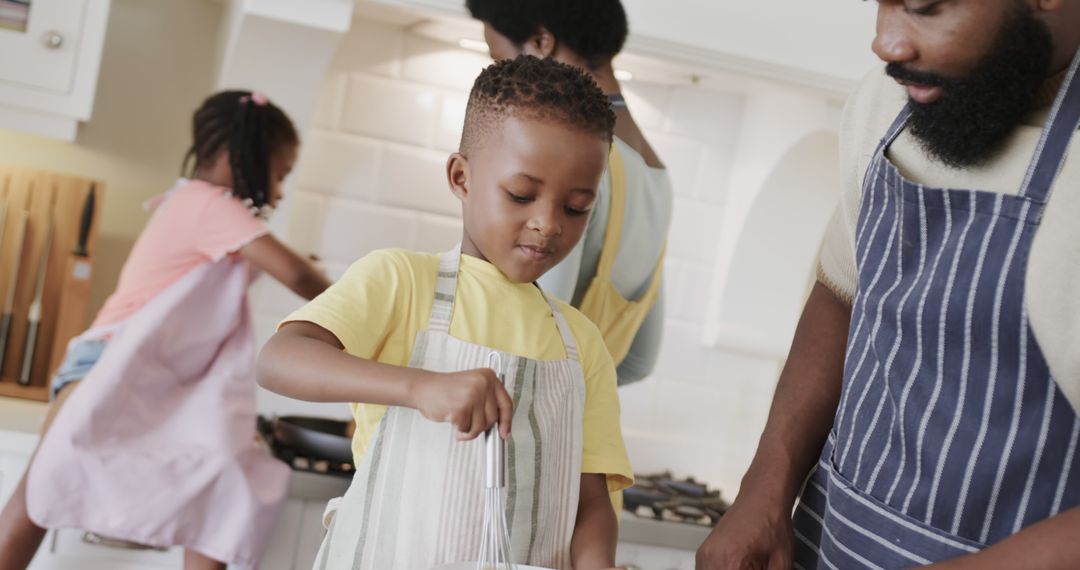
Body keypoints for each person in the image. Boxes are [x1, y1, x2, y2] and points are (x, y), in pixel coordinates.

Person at [696, 1, 1080, 568]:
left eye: (925, 6)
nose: (886, 43)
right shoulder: (889, 100)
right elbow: (841, 290)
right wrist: (765, 491)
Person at [256, 56, 632, 570]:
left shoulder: (581, 342)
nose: (547, 224)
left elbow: (591, 503)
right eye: (521, 195)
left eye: (576, 208)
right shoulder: (401, 281)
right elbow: (280, 359)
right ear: (461, 177)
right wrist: (419, 386)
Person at [0, 90, 332, 570]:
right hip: (105, 365)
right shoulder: (209, 205)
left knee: (222, 485)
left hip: (152, 377)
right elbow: (298, 275)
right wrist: (355, 305)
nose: (278, 192)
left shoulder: (207, 211)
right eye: (280, 174)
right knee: (39, 491)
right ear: (245, 157)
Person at [466, 0, 672, 387]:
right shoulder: (656, 176)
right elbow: (640, 361)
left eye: (500, 60)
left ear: (542, 41)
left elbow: (526, 341)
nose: (501, 79)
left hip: (499, 420)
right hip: (567, 426)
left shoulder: (575, 162)